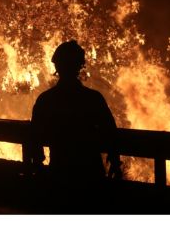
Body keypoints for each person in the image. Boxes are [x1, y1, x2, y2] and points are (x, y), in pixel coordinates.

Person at [30, 40, 122, 193]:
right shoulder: (93, 98)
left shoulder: (46, 100)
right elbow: (110, 131)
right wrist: (115, 162)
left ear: (57, 66)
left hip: (60, 173)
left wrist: (38, 165)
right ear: (80, 66)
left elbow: (35, 135)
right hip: (90, 173)